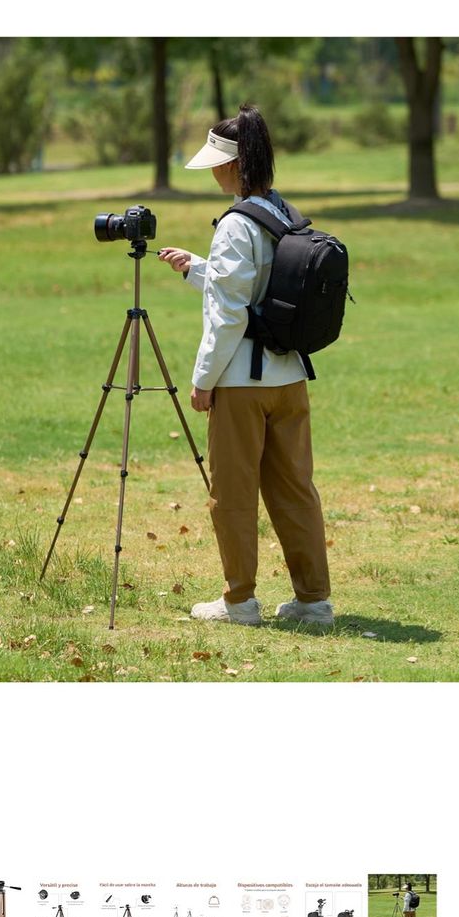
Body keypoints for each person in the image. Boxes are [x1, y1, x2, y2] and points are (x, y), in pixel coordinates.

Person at [159, 104, 333, 628]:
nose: (211, 171)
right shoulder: (282, 211)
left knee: (232, 496)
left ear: (233, 165)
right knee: (295, 490)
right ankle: (313, 602)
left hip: (241, 385)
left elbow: (229, 315)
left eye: (216, 162)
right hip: (290, 379)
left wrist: (201, 380)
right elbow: (261, 291)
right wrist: (197, 269)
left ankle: (239, 602)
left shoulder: (235, 224)